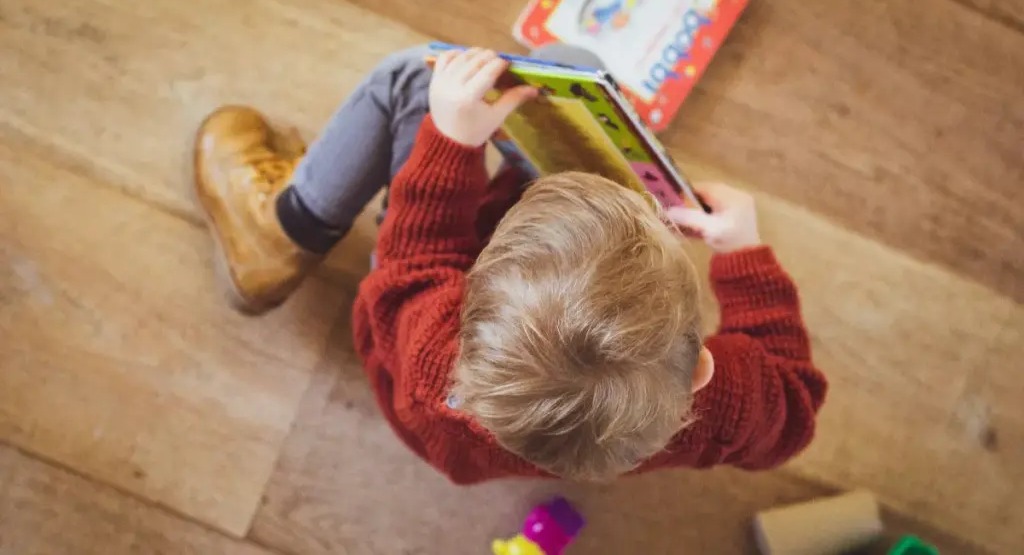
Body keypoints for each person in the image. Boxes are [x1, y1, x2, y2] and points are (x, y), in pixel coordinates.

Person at [193, 45, 827, 484]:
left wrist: (450, 141)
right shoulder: (723, 401)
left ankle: (281, 231)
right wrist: (744, 255)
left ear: (476, 293)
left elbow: (421, 256)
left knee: (412, 78)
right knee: (572, 69)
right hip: (493, 429)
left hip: (411, 314)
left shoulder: (436, 354)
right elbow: (793, 408)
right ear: (700, 370)